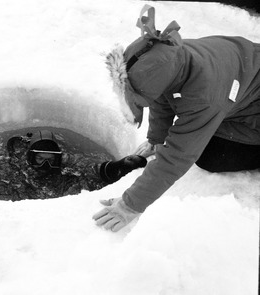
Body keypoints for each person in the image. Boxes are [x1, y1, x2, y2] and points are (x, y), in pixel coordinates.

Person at [93, 5, 260, 232]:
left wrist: (130, 205)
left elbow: (177, 156)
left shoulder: (204, 96)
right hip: (242, 83)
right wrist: (156, 139)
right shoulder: (172, 54)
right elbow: (163, 95)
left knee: (209, 155)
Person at [0, 128, 146, 201]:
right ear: (29, 156)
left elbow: (91, 169)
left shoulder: (65, 162)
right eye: (40, 158)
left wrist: (120, 166)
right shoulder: (11, 163)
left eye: (51, 160)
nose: (46, 164)